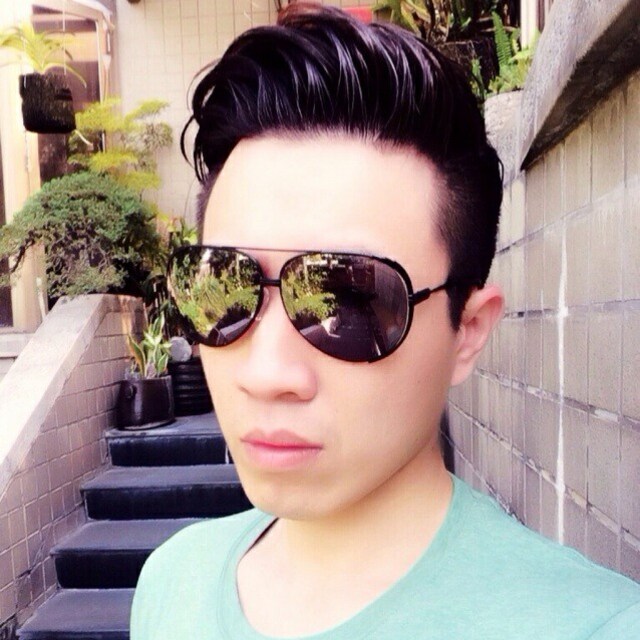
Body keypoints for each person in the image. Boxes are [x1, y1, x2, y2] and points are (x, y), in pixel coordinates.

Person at [130, 5, 640, 638]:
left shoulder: (595, 626)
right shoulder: (171, 582)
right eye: (225, 287)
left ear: (468, 330)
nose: (266, 373)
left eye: (349, 301)